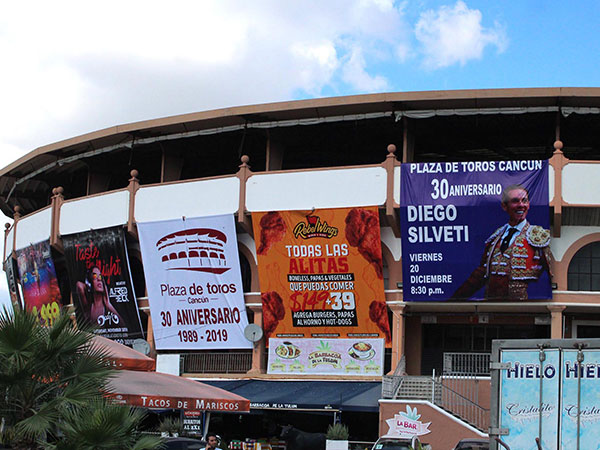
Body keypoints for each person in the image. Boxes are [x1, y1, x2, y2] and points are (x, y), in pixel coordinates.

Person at [452, 184, 553, 301]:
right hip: (491, 305)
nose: (521, 205)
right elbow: (480, 274)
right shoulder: (495, 237)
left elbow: (552, 275)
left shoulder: (538, 237)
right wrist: (454, 299)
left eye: (524, 201)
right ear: (504, 206)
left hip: (524, 307)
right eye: (515, 201)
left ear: (529, 205)